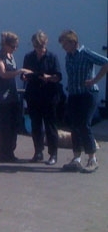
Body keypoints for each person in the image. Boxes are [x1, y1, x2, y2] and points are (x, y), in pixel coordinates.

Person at [58, 30, 108, 173]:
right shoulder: (69, 56)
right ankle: (76, 159)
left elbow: (106, 63)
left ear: (73, 42)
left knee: (84, 125)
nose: (63, 48)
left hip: (87, 94)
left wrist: (94, 80)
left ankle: (92, 159)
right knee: (74, 126)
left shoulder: (85, 53)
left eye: (65, 44)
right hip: (74, 95)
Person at [21, 30, 62, 165]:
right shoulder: (29, 57)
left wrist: (48, 77)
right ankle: (38, 152)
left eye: (41, 46)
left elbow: (58, 77)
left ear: (45, 44)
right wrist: (25, 76)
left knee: (50, 125)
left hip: (49, 95)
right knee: (36, 125)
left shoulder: (52, 57)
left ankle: (53, 154)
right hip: (33, 95)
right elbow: (23, 73)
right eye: (36, 46)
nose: (39, 49)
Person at [0, 31, 32, 163]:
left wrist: (22, 75)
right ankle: (2, 153)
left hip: (12, 95)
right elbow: (3, 74)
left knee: (13, 125)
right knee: (4, 126)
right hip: (1, 97)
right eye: (13, 46)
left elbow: (12, 74)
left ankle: (10, 151)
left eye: (16, 46)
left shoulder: (10, 56)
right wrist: (19, 71)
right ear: (6, 45)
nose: (15, 49)